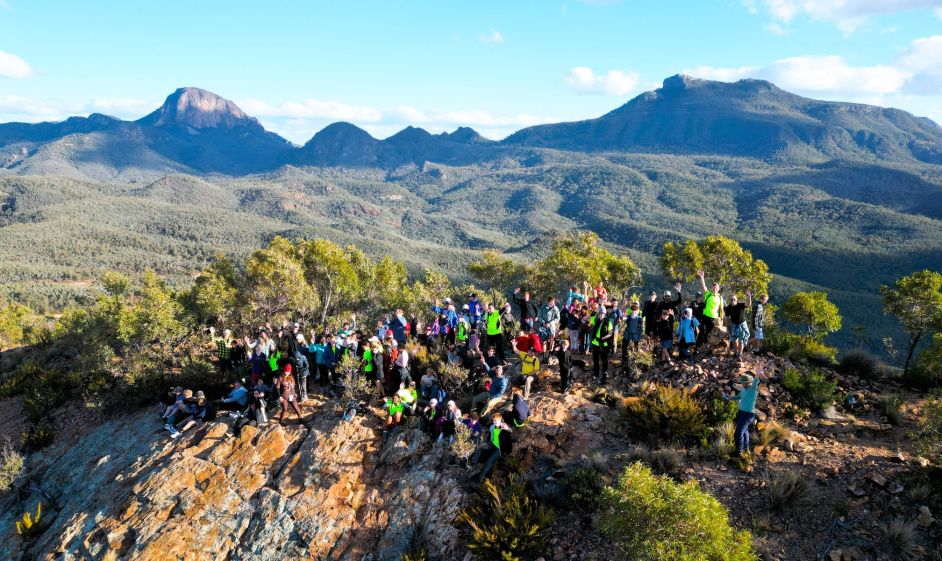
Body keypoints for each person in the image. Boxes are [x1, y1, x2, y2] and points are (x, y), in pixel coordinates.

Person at [723, 367, 765, 455]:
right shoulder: (743, 389)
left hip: (748, 415)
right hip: (741, 413)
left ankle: (739, 452)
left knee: (738, 433)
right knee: (745, 432)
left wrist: (757, 374)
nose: (742, 384)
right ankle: (746, 450)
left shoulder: (753, 389)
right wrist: (728, 397)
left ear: (748, 382)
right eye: (742, 382)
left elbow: (756, 381)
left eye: (743, 382)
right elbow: (738, 397)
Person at [473, 413, 512, 482]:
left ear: (500, 420)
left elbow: (511, 431)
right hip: (492, 444)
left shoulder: (503, 427)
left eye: (495, 420)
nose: (494, 422)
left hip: (499, 449)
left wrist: (508, 428)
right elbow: (491, 435)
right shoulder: (492, 427)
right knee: (481, 446)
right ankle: (474, 461)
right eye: (493, 420)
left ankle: (480, 477)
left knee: (488, 462)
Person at [696, 269, 724, 345]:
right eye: (713, 287)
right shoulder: (708, 294)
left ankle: (706, 347)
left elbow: (721, 310)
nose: (715, 289)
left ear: (718, 289)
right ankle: (697, 347)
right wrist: (702, 277)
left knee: (710, 333)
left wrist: (721, 320)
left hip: (714, 319)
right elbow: (703, 286)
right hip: (705, 316)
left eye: (716, 288)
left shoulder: (720, 298)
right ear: (711, 288)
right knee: (702, 331)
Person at [590, 307, 615, 384]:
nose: (601, 315)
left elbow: (610, 334)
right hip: (595, 343)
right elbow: (591, 321)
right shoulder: (596, 320)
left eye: (602, 313)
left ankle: (604, 375)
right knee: (595, 359)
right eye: (600, 313)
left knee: (604, 360)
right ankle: (596, 373)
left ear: (605, 314)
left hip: (604, 344)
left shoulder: (608, 322)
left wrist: (602, 339)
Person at [725, 293, 750, 359]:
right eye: (731, 300)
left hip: (742, 325)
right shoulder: (728, 308)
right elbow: (727, 318)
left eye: (734, 299)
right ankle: (735, 353)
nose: (733, 301)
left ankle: (740, 354)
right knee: (734, 340)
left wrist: (749, 297)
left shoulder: (740, 305)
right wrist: (728, 328)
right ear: (729, 300)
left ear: (736, 300)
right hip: (733, 325)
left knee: (741, 341)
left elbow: (748, 305)